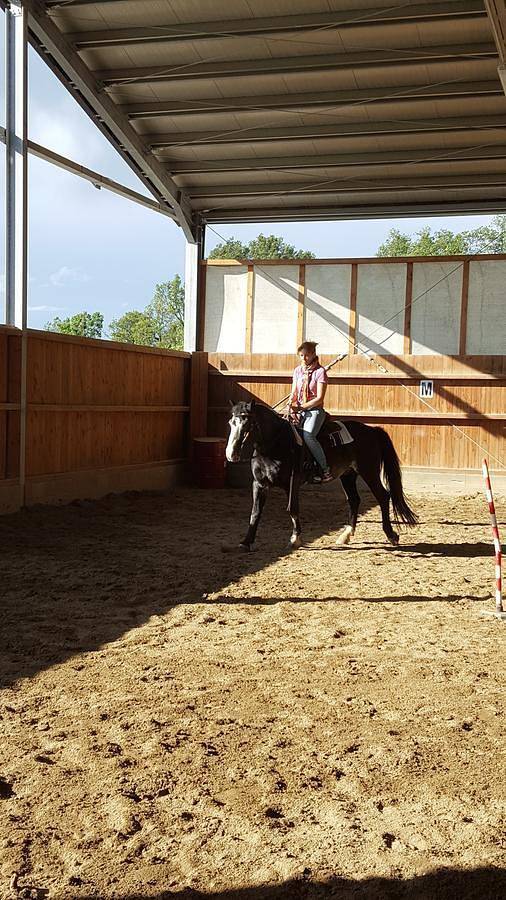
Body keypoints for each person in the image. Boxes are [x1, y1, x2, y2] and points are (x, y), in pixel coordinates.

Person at [288, 340, 334, 483]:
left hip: (315, 411)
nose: (303, 359)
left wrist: (302, 407)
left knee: (308, 436)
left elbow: (320, 398)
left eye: (306, 355)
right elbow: (294, 391)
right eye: (301, 356)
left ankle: (325, 470)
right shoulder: (297, 371)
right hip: (299, 411)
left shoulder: (320, 372)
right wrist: (291, 403)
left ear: (313, 354)